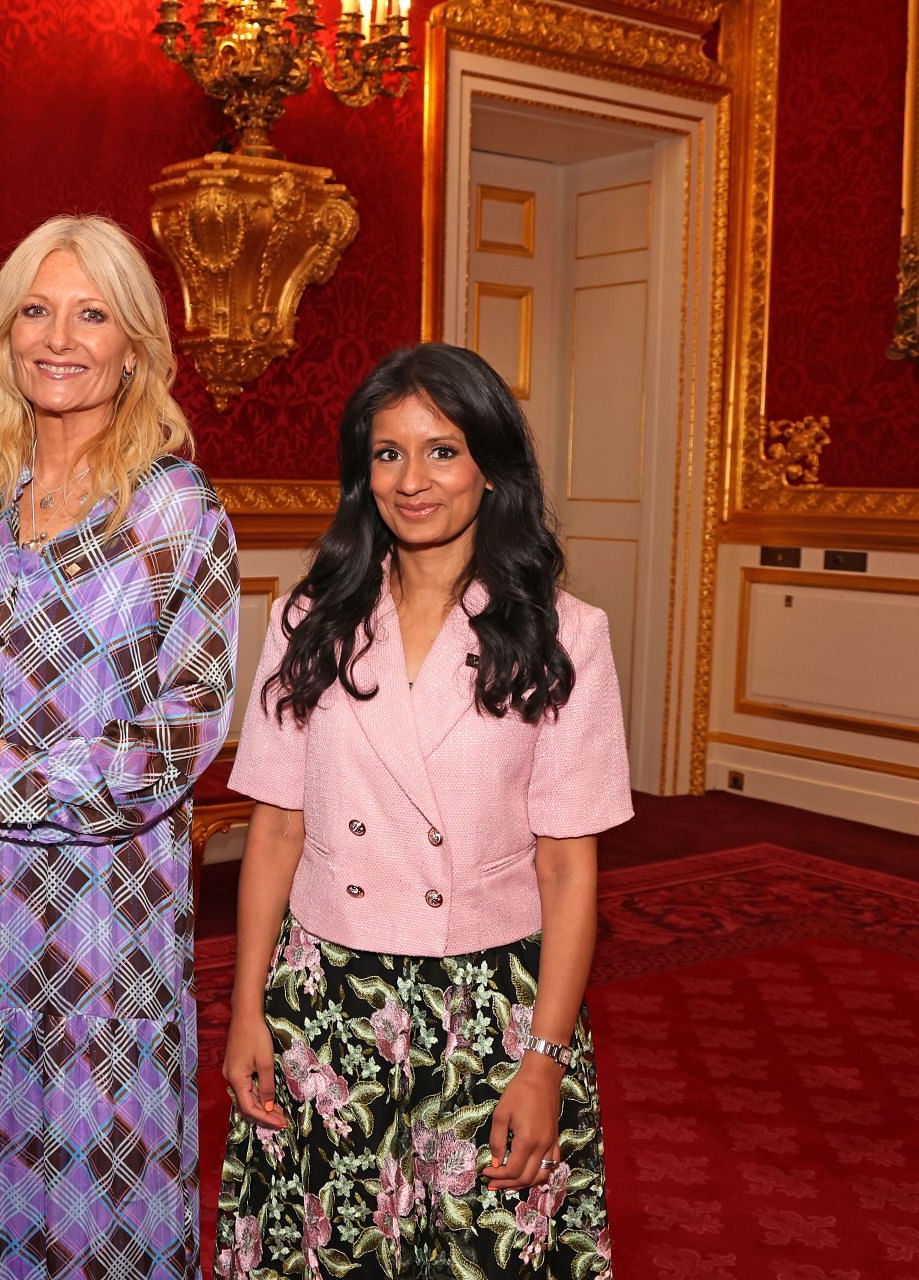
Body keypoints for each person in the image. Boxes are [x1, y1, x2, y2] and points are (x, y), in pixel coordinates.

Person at [0, 214, 240, 1279]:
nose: (59, 336)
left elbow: (186, 727)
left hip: (99, 914)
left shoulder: (179, 509)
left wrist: (13, 784)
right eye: (36, 308)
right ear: (4, 332)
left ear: (134, 342)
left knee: (94, 1175)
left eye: (91, 313)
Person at [214, 343, 631, 1279]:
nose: (413, 481)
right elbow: (275, 830)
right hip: (326, 998)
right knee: (326, 1251)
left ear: (491, 468)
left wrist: (544, 1061)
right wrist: (247, 1008)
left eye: (442, 451)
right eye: (388, 453)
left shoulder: (567, 635)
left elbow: (568, 870)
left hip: (485, 1007)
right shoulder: (306, 619)